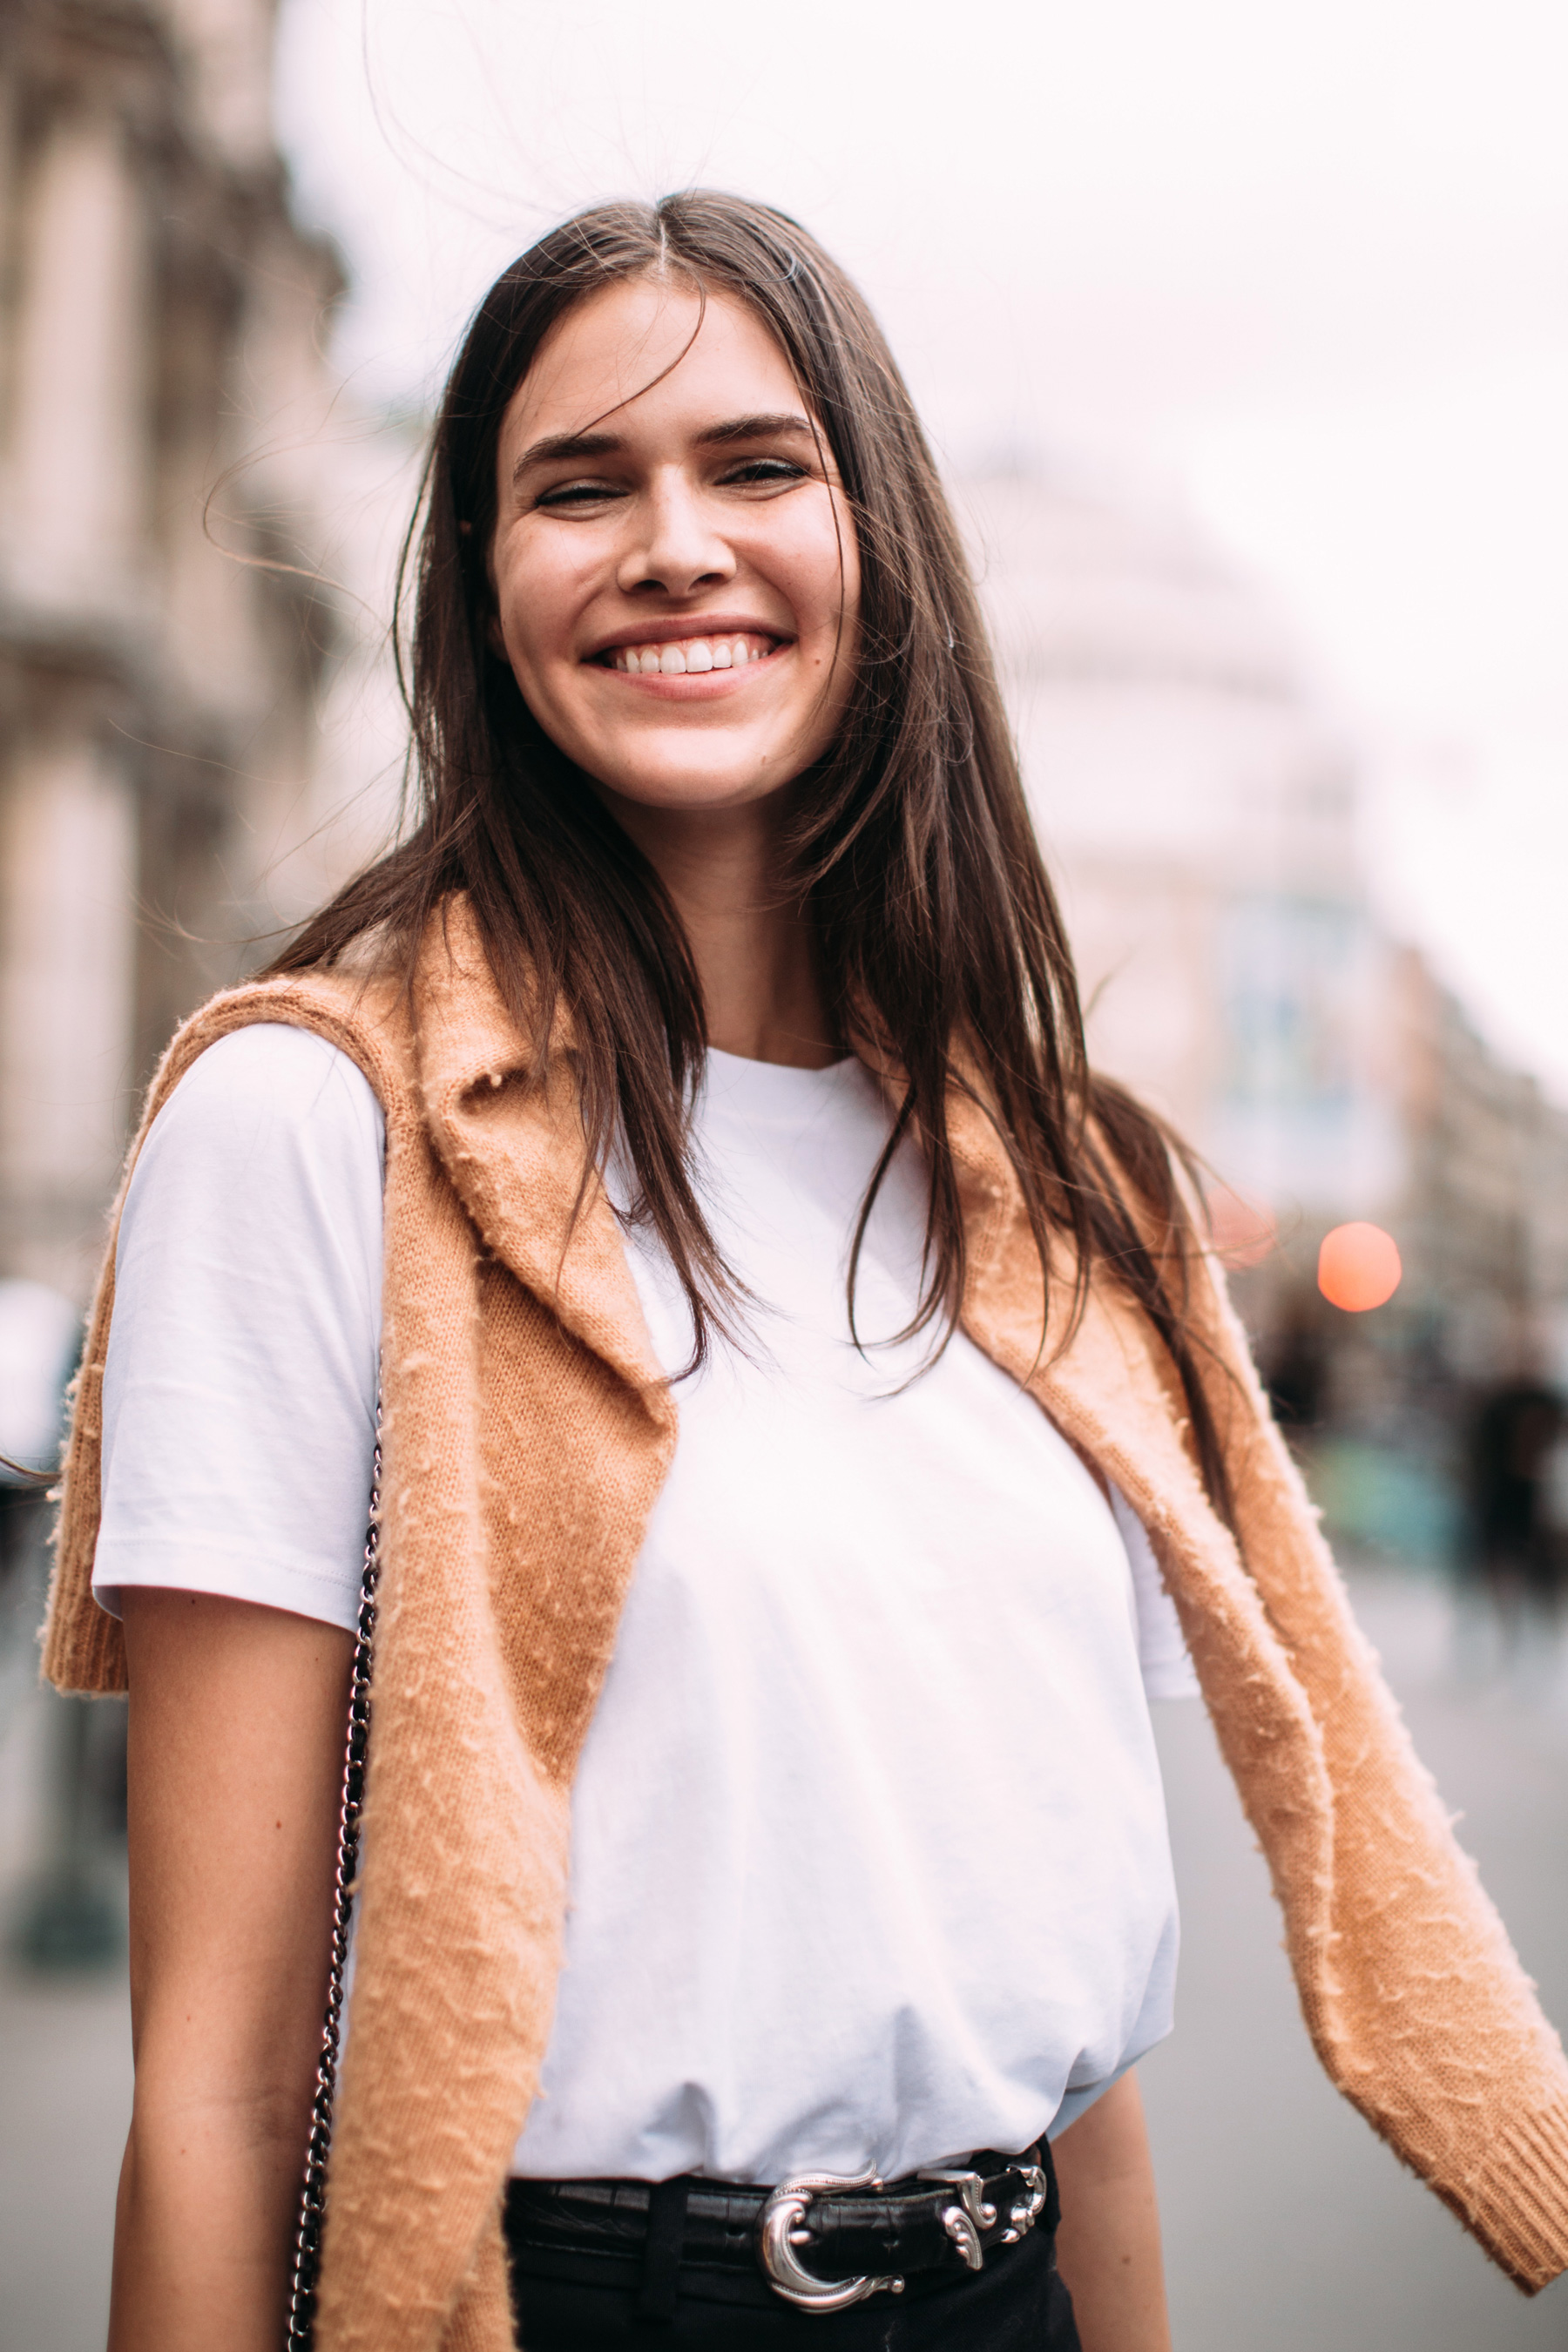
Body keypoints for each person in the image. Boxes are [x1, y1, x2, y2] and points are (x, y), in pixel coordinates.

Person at [43, 194, 1568, 2352]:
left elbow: (1067, 2049)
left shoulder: (1077, 1190)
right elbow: (212, 2084)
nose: (675, 542)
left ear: (884, 550)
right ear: (486, 591)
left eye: (756, 466)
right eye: (581, 485)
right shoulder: (313, 1128)